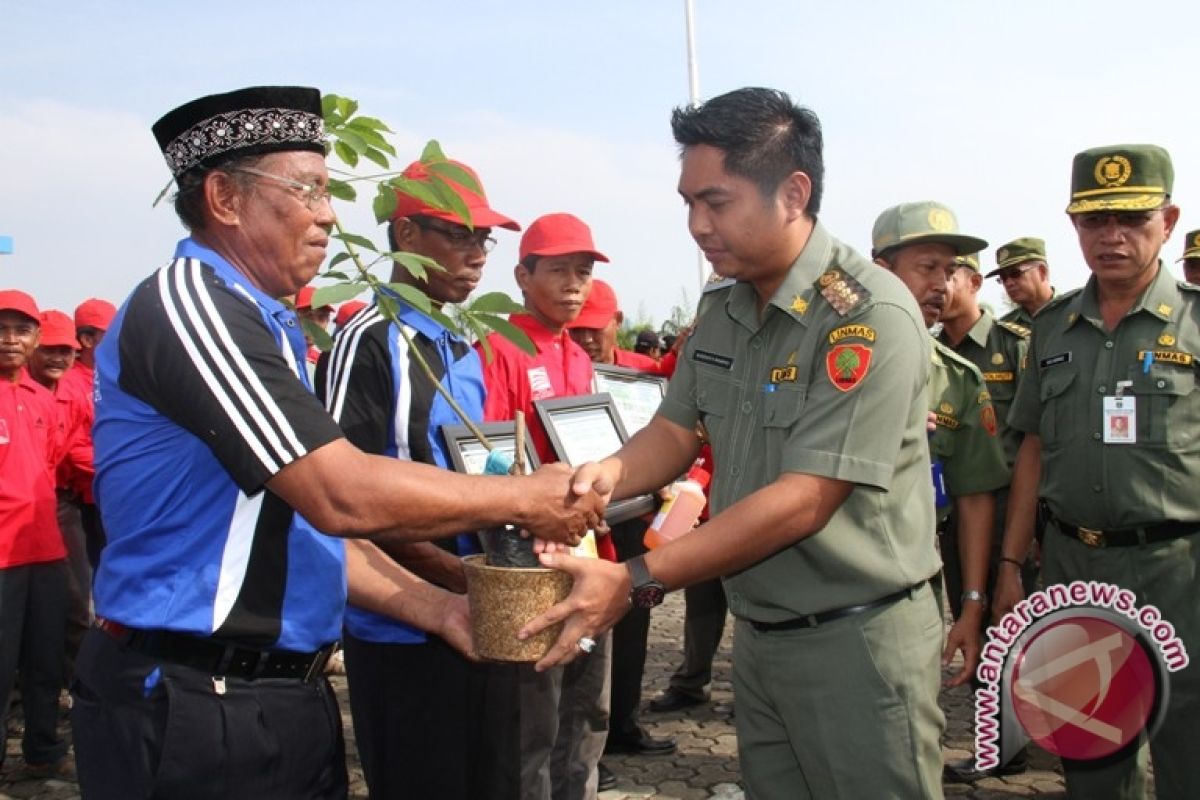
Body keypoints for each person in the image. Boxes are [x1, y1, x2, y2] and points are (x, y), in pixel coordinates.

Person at [72, 85, 603, 800]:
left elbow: (303, 526)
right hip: (193, 700)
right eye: (308, 190)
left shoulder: (269, 325)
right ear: (225, 199)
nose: (328, 215)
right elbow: (338, 493)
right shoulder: (192, 303)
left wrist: (439, 609)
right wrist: (524, 497)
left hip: (275, 695)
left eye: (328, 193)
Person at [523, 87, 946, 799]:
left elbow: (803, 501)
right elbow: (674, 430)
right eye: (688, 202)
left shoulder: (865, 315)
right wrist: (601, 478)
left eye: (715, 203)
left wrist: (632, 583)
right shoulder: (723, 305)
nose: (696, 224)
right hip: (762, 638)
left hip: (859, 643)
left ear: (793, 192)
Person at [994, 143, 1200, 800]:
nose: (1111, 236)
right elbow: (1032, 447)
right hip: (1077, 567)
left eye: (1132, 220)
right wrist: (1008, 565)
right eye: (1094, 220)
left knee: (1188, 746)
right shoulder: (1051, 329)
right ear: (1074, 225)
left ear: (1166, 222)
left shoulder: (1196, 323)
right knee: (1089, 745)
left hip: (1180, 571)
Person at [316, 156, 522, 800]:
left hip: (477, 608)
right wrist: (453, 579)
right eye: (457, 235)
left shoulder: (456, 342)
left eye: (482, 239)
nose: (477, 254)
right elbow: (342, 500)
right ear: (405, 237)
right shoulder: (372, 339)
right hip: (404, 625)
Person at [477, 212, 615, 800]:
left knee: (587, 710)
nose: (574, 284)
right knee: (532, 720)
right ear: (522, 274)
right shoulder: (500, 345)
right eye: (558, 270)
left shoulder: (577, 355)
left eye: (582, 271)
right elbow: (487, 460)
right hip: (532, 560)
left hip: (587, 550)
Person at [871, 202, 1009, 690]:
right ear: (881, 271)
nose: (942, 285)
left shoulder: (958, 380)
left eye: (950, 271)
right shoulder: (829, 361)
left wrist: (972, 602)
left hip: (912, 591)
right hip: (822, 599)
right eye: (927, 268)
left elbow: (974, 498)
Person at [935, 249, 1036, 781]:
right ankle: (1004, 743)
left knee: (1016, 632)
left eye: (948, 272)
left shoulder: (1016, 347)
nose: (939, 283)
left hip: (1011, 511)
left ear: (973, 281)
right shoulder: (927, 352)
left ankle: (1015, 743)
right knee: (974, 622)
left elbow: (1041, 438)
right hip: (957, 514)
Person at [567, 280, 677, 765]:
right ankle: (589, 744)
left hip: (636, 515)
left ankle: (624, 723)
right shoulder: (565, 372)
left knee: (634, 621)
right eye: (579, 330)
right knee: (587, 630)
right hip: (583, 520)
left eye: (596, 328)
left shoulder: (640, 374)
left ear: (617, 324)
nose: (588, 340)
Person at [0, 290, 72, 780]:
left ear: (36, 339)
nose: (9, 339)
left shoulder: (44, 400)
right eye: (1, 329)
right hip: (2, 557)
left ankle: (42, 751)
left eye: (21, 330)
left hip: (46, 549)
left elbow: (50, 466)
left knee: (46, 657)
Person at [26, 309, 95, 680]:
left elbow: (76, 445)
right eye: (50, 349)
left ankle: (68, 681)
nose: (57, 358)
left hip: (65, 502)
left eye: (64, 351)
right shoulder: (29, 394)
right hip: (33, 505)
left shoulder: (73, 393)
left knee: (70, 597)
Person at [59, 297, 114, 570]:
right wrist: (117, 467)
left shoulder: (115, 376)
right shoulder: (69, 384)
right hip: (87, 498)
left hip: (116, 491)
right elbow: (71, 446)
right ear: (87, 340)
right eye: (111, 333)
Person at [984, 237, 1056, 326]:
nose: (1008, 283)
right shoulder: (1002, 330)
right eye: (1003, 277)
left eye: (1015, 273)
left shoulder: (1073, 311)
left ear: (1042, 272)